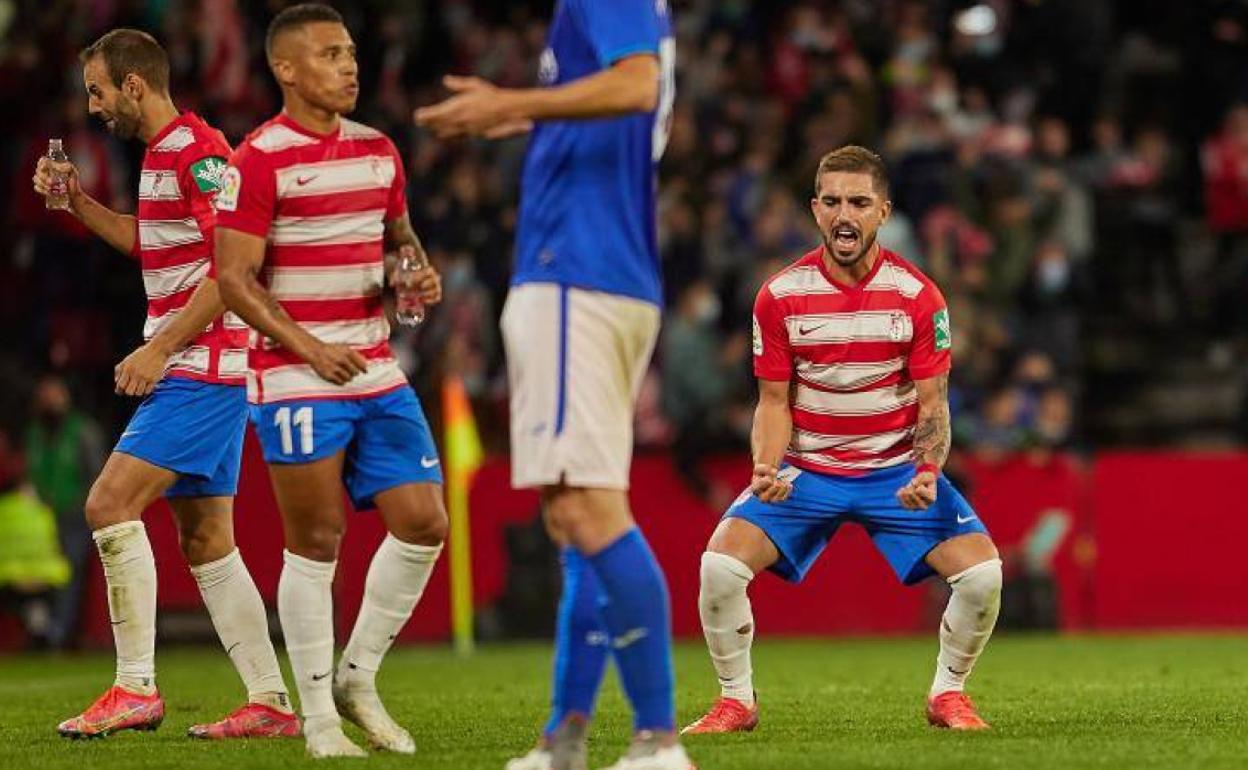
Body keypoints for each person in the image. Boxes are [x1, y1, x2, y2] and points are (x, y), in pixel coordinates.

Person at [416, 2, 693, 769]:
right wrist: (519, 119)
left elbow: (636, 88)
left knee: (588, 509)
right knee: (572, 517)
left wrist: (512, 103)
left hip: (577, 273)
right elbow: (624, 103)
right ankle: (564, 739)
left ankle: (658, 741)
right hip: (597, 274)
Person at [31, 28, 298, 740]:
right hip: (205, 366)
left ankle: (134, 687)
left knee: (108, 501)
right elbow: (153, 243)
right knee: (207, 537)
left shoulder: (201, 150)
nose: (93, 108)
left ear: (135, 86)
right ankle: (269, 702)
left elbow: (232, 267)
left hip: (203, 366)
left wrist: (161, 348)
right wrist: (76, 205)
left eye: (98, 91)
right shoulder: (159, 156)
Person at [682, 146, 1003, 735]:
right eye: (831, 202)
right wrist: (764, 466)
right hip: (809, 469)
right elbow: (774, 403)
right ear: (814, 209)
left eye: (858, 202)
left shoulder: (918, 296)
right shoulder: (778, 296)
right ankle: (736, 701)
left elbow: (933, 404)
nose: (843, 214)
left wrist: (928, 472)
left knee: (983, 577)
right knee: (719, 566)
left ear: (883, 211)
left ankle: (948, 695)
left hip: (895, 471)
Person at [214, 4, 446, 759]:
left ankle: (358, 678)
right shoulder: (258, 158)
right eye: (329, 55)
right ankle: (317, 719)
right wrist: (309, 347)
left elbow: (399, 240)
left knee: (425, 522)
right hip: (293, 375)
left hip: (376, 366)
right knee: (316, 542)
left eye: (350, 52)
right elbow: (234, 279)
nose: (349, 66)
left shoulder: (380, 150)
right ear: (286, 69)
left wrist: (414, 275)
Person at [24, 373, 106, 650]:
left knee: (68, 576)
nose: (49, 399)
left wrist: (87, 505)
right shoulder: (34, 431)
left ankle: (58, 634)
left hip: (73, 514)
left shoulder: (82, 430)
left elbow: (97, 472)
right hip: (36, 516)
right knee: (34, 576)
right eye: (45, 394)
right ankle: (39, 630)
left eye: (54, 393)